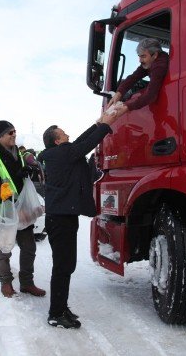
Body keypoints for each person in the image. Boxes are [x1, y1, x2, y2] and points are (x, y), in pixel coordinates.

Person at [39, 111, 118, 328]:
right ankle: (56, 313)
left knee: (66, 265)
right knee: (63, 267)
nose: (68, 136)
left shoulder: (61, 153)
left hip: (64, 218)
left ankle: (61, 307)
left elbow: (80, 142)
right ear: (57, 141)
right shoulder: (60, 154)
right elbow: (85, 144)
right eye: (64, 134)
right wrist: (105, 125)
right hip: (60, 220)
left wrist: (97, 124)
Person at [0, 120, 46, 298]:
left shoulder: (17, 152)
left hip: (21, 208)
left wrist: (27, 173)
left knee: (29, 247)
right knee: (4, 248)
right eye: (10, 132)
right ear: (0, 136)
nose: (14, 135)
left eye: (14, 132)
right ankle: (6, 282)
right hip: (4, 209)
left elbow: (22, 176)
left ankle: (27, 282)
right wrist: (4, 189)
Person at [106, 38, 169, 116]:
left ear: (155, 55)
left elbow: (151, 96)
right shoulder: (151, 62)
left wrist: (127, 107)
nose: (140, 60)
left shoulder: (160, 66)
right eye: (139, 56)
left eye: (143, 56)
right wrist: (119, 93)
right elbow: (134, 77)